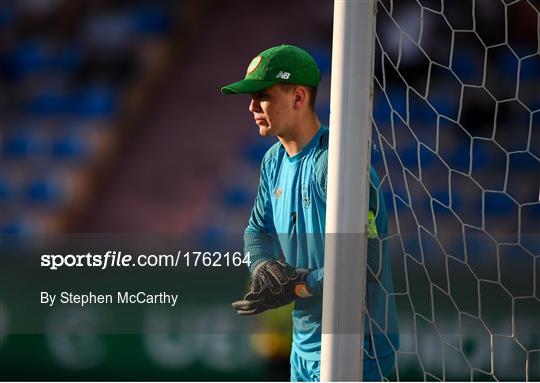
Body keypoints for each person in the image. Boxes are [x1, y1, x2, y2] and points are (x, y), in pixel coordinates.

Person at [221, 44, 399, 382]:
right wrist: (264, 270)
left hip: (358, 347)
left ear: (298, 97)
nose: (251, 106)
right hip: (302, 348)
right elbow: (257, 230)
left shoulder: (337, 163)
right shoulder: (273, 161)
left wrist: (297, 286)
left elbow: (366, 263)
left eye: (262, 95)